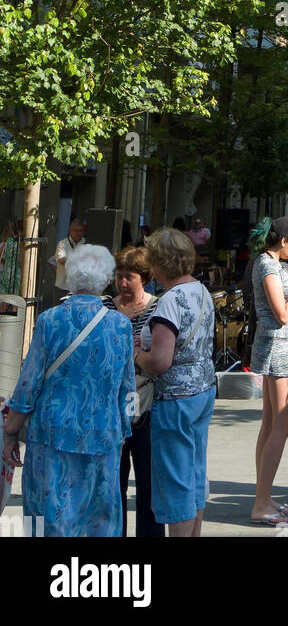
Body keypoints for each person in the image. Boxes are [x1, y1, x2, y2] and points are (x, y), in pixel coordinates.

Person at [1, 244, 134, 536]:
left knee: (48, 517)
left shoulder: (50, 320)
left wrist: (10, 432)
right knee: (99, 519)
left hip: (53, 435)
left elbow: (29, 382)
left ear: (70, 278)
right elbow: (128, 388)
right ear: (106, 280)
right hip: (103, 436)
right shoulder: (121, 325)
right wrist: (124, 429)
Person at [134, 227, 216, 538]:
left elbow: (160, 360)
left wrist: (137, 355)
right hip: (203, 390)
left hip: (175, 399)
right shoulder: (200, 290)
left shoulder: (169, 300)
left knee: (175, 479)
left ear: (159, 264)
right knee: (194, 474)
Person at [245, 217, 288, 526]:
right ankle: (261, 503)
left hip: (279, 347)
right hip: (277, 348)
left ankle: (264, 495)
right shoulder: (268, 266)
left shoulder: (276, 265)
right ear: (284, 241)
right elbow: (283, 314)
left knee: (271, 422)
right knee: (282, 424)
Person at [106, 246, 163, 538]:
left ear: (144, 277)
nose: (122, 283)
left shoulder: (158, 309)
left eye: (129, 277)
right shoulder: (105, 307)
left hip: (145, 404)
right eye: (119, 276)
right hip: (111, 407)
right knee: (112, 481)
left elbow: (163, 354)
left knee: (148, 482)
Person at [51, 216, 85, 298]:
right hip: (63, 287)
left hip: (80, 288)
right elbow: (61, 260)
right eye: (76, 230)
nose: (78, 233)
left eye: (81, 231)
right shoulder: (62, 243)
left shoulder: (86, 243)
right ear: (70, 231)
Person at [0, 219, 22, 305]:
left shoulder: (6, 243)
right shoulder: (19, 244)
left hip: (6, 272)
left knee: (5, 297)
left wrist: (6, 261)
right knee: (14, 297)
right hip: (16, 273)